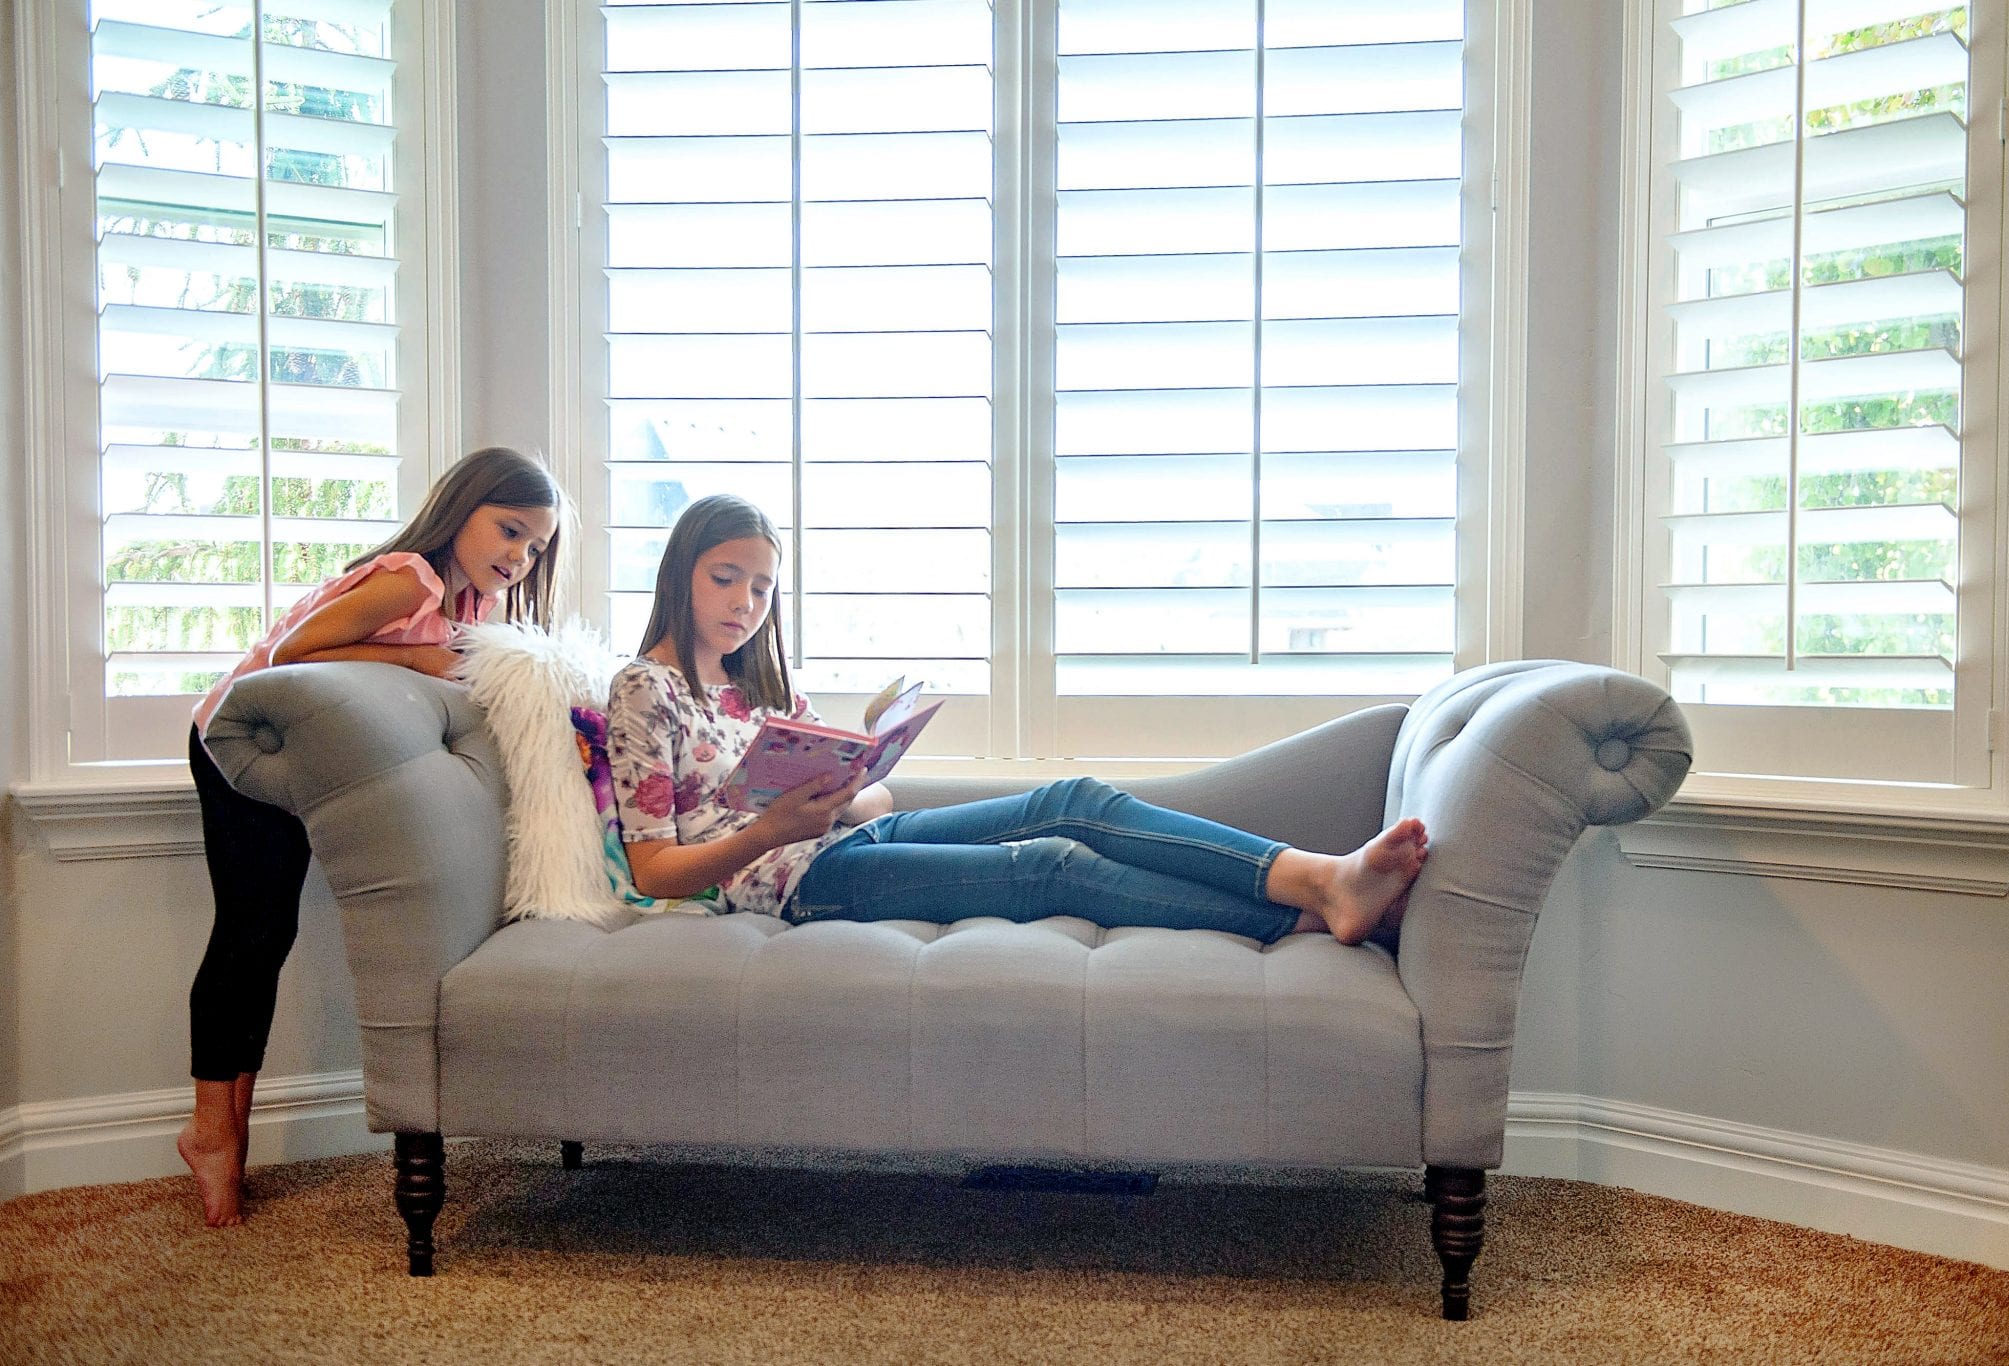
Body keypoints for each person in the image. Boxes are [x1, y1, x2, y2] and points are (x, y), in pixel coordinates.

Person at [605, 495, 1428, 956]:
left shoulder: (759, 684)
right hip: (795, 887)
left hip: (846, 840)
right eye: (726, 580)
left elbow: (876, 801)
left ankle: (1316, 874)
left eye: (762, 590)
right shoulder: (644, 690)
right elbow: (655, 870)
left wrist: (859, 781)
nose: (746, 606)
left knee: (1077, 798)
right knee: (1050, 865)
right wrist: (773, 830)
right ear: (680, 570)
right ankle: (1299, 917)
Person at [178, 445, 567, 1227]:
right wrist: (421, 656)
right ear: (460, 511)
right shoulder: (409, 580)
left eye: (535, 546)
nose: (520, 557)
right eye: (509, 530)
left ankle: (222, 1131)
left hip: (309, 748)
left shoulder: (472, 608)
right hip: (247, 739)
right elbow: (287, 652)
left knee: (269, 931)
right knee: (253, 932)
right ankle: (215, 1132)